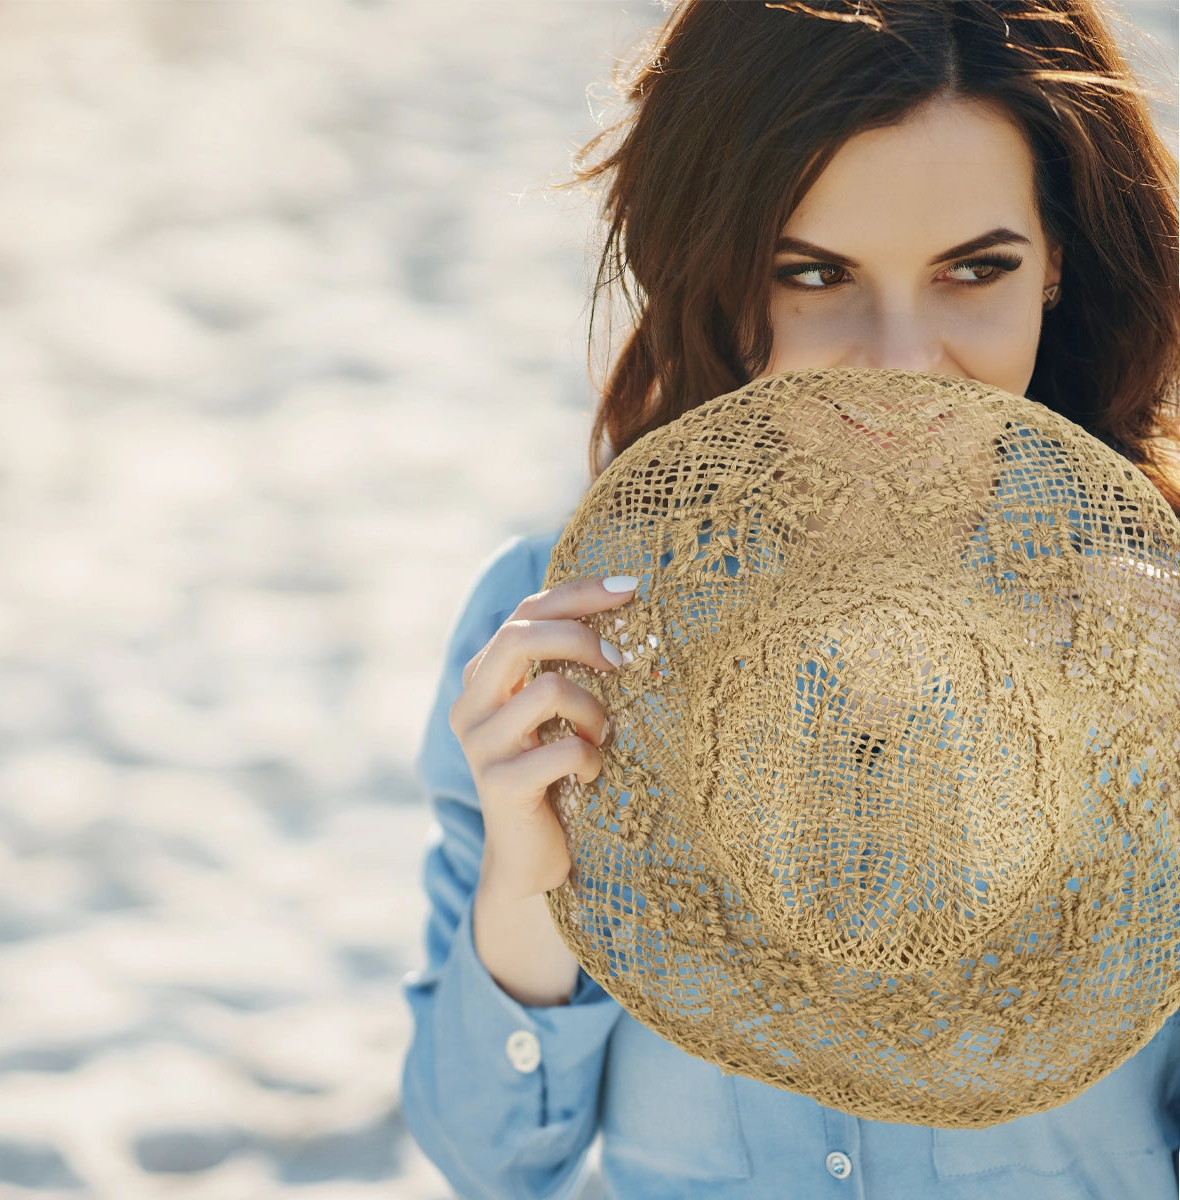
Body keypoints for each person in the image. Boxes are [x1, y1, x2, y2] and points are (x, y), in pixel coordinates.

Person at [399, 2, 1180, 1197]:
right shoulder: (557, 625)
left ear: (1059, 259)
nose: (904, 358)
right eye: (816, 273)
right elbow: (492, 1159)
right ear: (716, 266)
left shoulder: (1162, 634)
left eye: (976, 269)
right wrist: (528, 883)